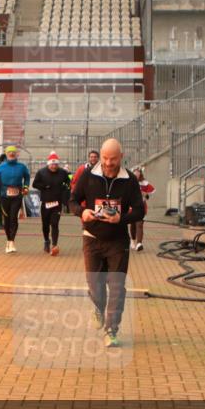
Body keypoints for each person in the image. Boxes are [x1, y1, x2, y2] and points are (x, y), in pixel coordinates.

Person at [70, 138, 145, 348]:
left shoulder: (130, 180)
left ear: (121, 157)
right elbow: (72, 200)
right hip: (92, 239)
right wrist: (82, 212)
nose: (109, 163)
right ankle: (98, 307)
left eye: (113, 159)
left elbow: (140, 211)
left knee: (117, 286)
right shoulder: (88, 175)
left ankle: (112, 329)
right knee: (95, 285)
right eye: (105, 158)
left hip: (117, 241)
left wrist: (121, 218)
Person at [0, 145, 30, 253]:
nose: (12, 154)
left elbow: (27, 177)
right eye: (9, 152)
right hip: (4, 195)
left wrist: (26, 187)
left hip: (17, 195)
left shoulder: (22, 167)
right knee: (7, 219)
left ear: (17, 154)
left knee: (14, 218)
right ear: (6, 154)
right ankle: (8, 240)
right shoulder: (1, 167)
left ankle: (12, 241)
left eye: (13, 152)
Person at [32, 151, 71, 255]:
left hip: (57, 203)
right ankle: (46, 240)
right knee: (45, 225)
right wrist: (44, 186)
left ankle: (54, 245)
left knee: (55, 223)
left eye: (56, 164)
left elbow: (69, 180)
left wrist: (65, 186)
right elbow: (35, 184)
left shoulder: (62, 172)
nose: (54, 166)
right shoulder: (41, 172)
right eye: (52, 165)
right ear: (48, 164)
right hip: (46, 202)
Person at [129, 166, 155, 252]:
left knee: (139, 224)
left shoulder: (145, 183)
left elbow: (150, 193)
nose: (137, 173)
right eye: (135, 172)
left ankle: (139, 243)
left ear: (140, 173)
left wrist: (145, 194)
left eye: (138, 172)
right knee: (133, 225)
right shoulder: (129, 182)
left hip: (141, 206)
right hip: (131, 207)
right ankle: (133, 240)